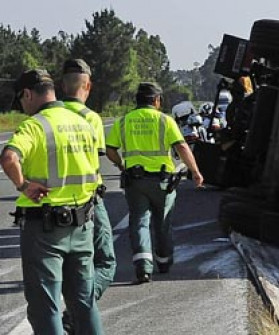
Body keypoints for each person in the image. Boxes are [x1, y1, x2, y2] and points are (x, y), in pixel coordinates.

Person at [1, 69, 103, 334]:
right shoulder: (83, 122)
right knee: (84, 303)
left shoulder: (35, 125)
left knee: (45, 306)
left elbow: (9, 158)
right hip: (83, 225)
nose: (23, 107)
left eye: (21, 101)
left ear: (27, 94)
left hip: (44, 229)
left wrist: (23, 185)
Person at [106, 82, 203, 283]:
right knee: (163, 223)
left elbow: (110, 149)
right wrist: (195, 171)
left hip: (135, 182)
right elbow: (182, 147)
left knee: (139, 221)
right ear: (157, 100)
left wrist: (121, 165)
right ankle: (164, 261)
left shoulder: (124, 121)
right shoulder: (165, 121)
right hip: (162, 183)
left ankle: (143, 267)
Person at [59, 58, 116, 300]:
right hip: (89, 199)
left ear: (62, 86)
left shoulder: (50, 116)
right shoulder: (91, 118)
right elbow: (95, 157)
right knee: (106, 260)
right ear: (88, 86)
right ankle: (82, 307)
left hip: (55, 202)